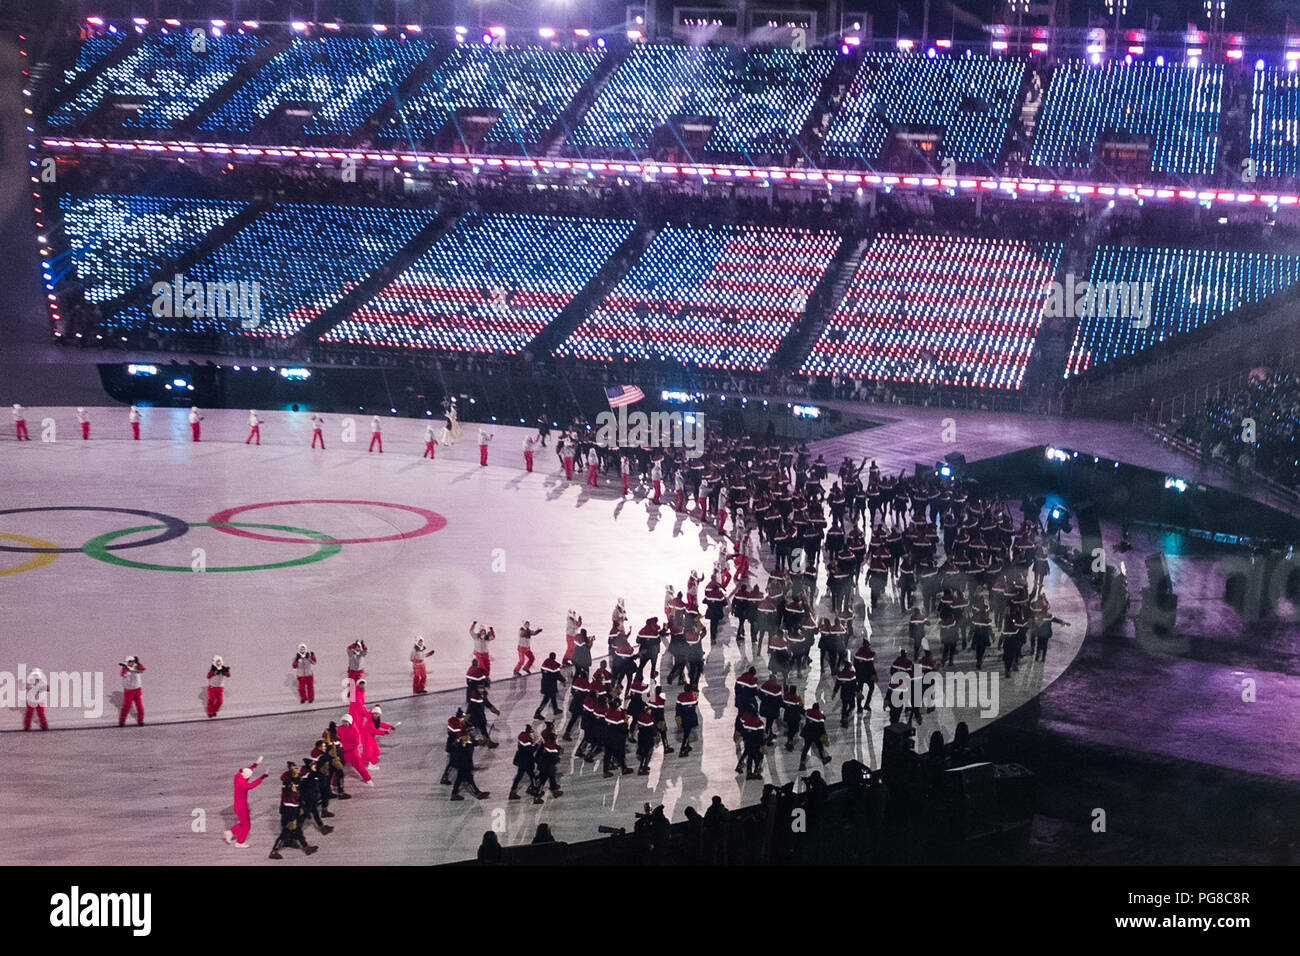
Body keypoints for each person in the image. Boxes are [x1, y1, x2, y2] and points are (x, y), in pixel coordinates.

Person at [268, 778, 317, 858]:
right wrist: (292, 820)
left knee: (299, 833)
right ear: (290, 787)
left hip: (293, 819)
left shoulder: (293, 795)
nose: (296, 787)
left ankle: (306, 848)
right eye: (294, 786)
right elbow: (289, 812)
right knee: (283, 835)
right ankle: (274, 851)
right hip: (289, 820)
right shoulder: (289, 799)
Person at [223, 757, 266, 847]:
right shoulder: (243, 784)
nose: (250, 778)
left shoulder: (238, 776)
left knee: (244, 823)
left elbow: (247, 770)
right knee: (246, 826)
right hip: (242, 807)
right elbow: (251, 785)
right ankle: (240, 842)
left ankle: (230, 832)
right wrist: (261, 778)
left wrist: (256, 764)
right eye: (249, 777)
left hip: (238, 805)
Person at [450, 728, 489, 801]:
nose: (471, 733)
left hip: (462, 762)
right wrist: (480, 742)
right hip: (463, 763)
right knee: (469, 778)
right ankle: (477, 793)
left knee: (460, 778)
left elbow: (472, 743)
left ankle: (454, 794)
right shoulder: (462, 739)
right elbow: (470, 743)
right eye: (468, 731)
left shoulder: (462, 738)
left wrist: (480, 742)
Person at [335, 713, 373, 785]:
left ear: (350, 722)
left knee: (360, 767)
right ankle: (334, 783)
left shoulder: (355, 731)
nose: (345, 723)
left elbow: (356, 743)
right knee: (337, 767)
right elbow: (337, 738)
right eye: (343, 721)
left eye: (346, 721)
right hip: (343, 752)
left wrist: (343, 746)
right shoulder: (339, 729)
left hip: (353, 753)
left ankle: (368, 779)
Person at [509, 725, 541, 801]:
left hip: (521, 760)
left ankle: (513, 792)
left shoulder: (522, 737)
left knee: (521, 776)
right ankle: (534, 790)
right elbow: (531, 750)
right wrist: (536, 744)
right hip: (527, 762)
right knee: (531, 775)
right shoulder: (527, 742)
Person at [799, 700, 832, 769]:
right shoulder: (820, 716)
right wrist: (825, 739)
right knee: (820, 747)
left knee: (806, 748)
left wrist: (800, 703)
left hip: (807, 733)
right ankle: (824, 759)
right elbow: (822, 729)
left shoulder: (808, 712)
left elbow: (802, 711)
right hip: (816, 735)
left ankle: (802, 763)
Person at [534, 652, 565, 719]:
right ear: (554, 657)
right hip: (551, 685)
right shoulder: (554, 665)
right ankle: (537, 712)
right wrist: (563, 680)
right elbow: (558, 675)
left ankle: (555, 709)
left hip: (544, 684)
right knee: (546, 699)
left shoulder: (545, 662)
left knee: (553, 697)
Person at [118, 656, 145, 726]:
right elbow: (122, 674)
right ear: (127, 662)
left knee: (140, 707)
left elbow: (142, 669)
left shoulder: (137, 666)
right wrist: (127, 669)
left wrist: (138, 663)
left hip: (137, 690)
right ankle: (122, 722)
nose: (131, 663)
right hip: (129, 691)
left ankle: (140, 721)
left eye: (133, 661)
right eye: (130, 662)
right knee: (126, 707)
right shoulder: (124, 668)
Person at [675, 684, 699, 755]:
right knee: (687, 733)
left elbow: (678, 707)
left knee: (686, 731)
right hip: (692, 717)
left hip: (684, 717)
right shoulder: (694, 696)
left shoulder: (680, 696)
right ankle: (683, 748)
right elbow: (696, 703)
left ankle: (686, 746)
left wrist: (678, 716)